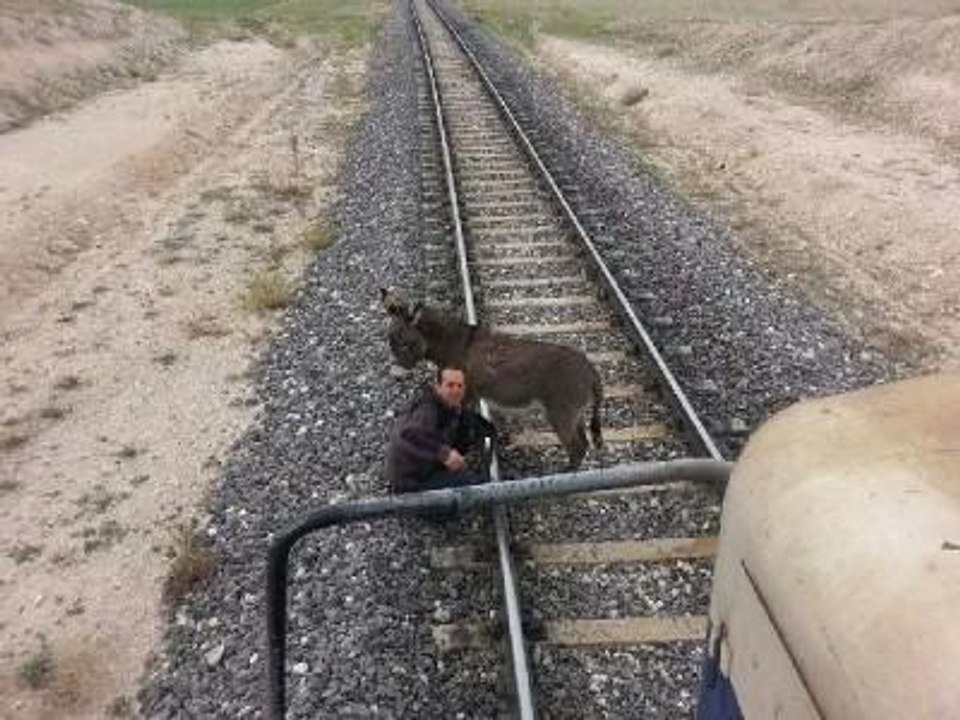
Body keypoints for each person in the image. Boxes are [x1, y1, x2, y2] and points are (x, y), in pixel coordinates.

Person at [386, 365, 497, 493]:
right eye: (450, 385)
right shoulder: (427, 409)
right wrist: (445, 454)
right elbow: (409, 434)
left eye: (460, 386)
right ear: (438, 387)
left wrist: (487, 429)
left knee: (466, 419)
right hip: (413, 481)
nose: (456, 391)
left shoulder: (448, 404)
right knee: (471, 486)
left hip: (429, 462)